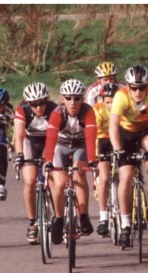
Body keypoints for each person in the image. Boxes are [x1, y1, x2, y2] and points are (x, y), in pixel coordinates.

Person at [109, 64, 148, 247]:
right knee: (125, 177)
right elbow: (113, 126)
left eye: (142, 87)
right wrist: (117, 149)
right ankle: (125, 224)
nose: (138, 92)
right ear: (127, 86)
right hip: (125, 133)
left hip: (145, 131)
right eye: (134, 88)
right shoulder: (120, 96)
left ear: (147, 86)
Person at [43, 79, 98, 244]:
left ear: (83, 99)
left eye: (77, 98)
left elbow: (90, 137)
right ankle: (59, 220)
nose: (72, 102)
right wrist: (47, 161)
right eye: (68, 98)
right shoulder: (57, 113)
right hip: (60, 147)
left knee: (79, 175)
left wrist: (92, 160)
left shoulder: (88, 112)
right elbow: (51, 139)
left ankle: (83, 216)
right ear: (63, 98)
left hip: (80, 146)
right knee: (59, 183)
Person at [12, 82, 58, 243]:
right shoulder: (22, 110)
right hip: (29, 141)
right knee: (30, 181)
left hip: (49, 141)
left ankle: (59, 216)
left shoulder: (54, 109)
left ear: (47, 100)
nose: (39, 108)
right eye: (34, 104)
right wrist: (19, 155)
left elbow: (56, 137)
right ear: (27, 103)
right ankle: (32, 223)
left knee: (52, 177)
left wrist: (50, 158)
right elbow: (18, 136)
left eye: (41, 103)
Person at [91, 83, 119, 237]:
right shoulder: (98, 109)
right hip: (102, 140)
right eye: (107, 102)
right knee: (105, 177)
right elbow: (95, 134)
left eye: (113, 101)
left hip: (119, 138)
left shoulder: (123, 107)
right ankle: (103, 218)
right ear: (102, 100)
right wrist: (96, 155)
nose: (110, 105)